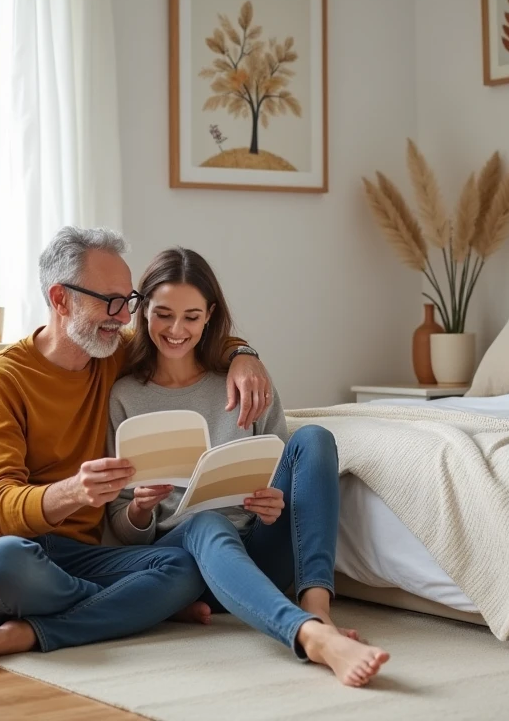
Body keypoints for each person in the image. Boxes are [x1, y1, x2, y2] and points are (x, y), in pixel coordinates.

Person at [0, 227, 275, 661]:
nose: (123, 315)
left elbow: (185, 332)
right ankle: (134, 606)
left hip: (77, 556)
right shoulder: (1, 381)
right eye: (109, 301)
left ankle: (51, 626)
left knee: (184, 567)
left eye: (129, 301)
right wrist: (74, 492)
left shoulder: (112, 349)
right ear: (60, 299)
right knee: (8, 567)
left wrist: (244, 355)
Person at [105, 247, 389, 687]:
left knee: (314, 438)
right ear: (142, 312)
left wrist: (272, 504)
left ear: (209, 315)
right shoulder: (124, 396)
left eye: (192, 317)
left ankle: (316, 607)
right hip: (182, 565)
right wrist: (140, 509)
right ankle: (310, 638)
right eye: (163, 314)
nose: (176, 330)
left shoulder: (244, 381)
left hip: (256, 550)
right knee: (206, 525)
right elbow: (119, 528)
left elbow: (275, 470)